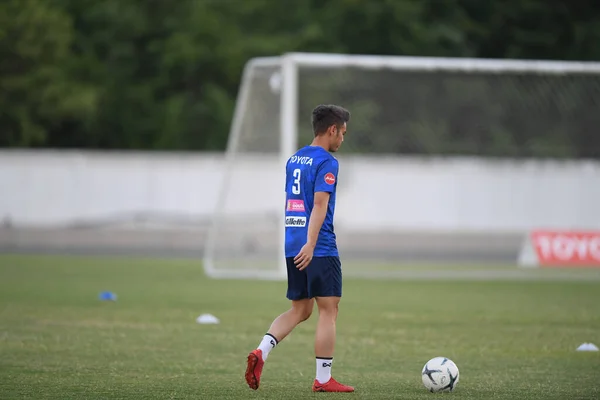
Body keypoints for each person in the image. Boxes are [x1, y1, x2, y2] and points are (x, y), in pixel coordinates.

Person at [245, 104, 354, 393]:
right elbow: (319, 204)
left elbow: (293, 203)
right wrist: (312, 243)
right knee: (329, 310)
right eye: (342, 133)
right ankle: (323, 379)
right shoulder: (327, 162)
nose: (342, 139)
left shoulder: (295, 159)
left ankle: (261, 351)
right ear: (332, 130)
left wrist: (300, 243)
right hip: (317, 247)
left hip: (292, 245)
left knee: (300, 309)